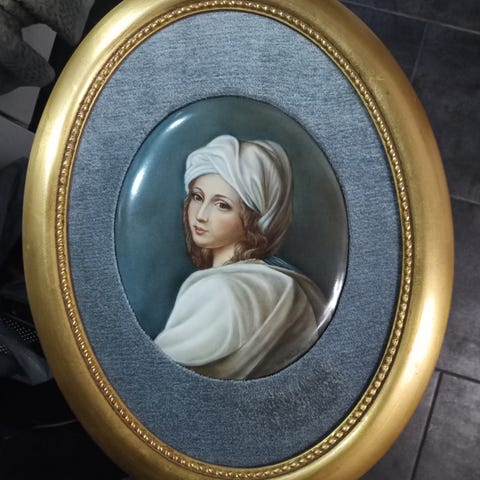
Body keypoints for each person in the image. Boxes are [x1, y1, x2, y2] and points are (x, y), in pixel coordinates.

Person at [154, 135, 329, 380]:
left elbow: (155, 375)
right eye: (197, 197)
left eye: (222, 205)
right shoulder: (289, 284)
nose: (201, 215)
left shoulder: (218, 290)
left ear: (253, 218)